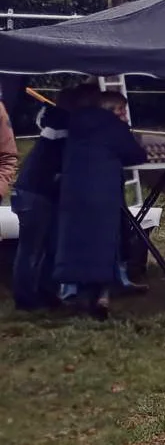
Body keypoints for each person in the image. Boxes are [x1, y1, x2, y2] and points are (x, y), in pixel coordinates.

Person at [55, 91, 148, 320]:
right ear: (112, 110)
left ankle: (74, 293)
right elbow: (135, 155)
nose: (124, 115)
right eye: (122, 110)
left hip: (73, 189)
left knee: (76, 243)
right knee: (102, 244)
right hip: (102, 193)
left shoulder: (75, 122)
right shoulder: (113, 127)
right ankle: (98, 298)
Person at [11, 96, 71, 309]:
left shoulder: (58, 121)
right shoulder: (62, 123)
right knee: (32, 249)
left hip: (43, 192)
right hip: (35, 192)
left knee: (51, 246)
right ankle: (26, 299)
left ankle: (47, 293)